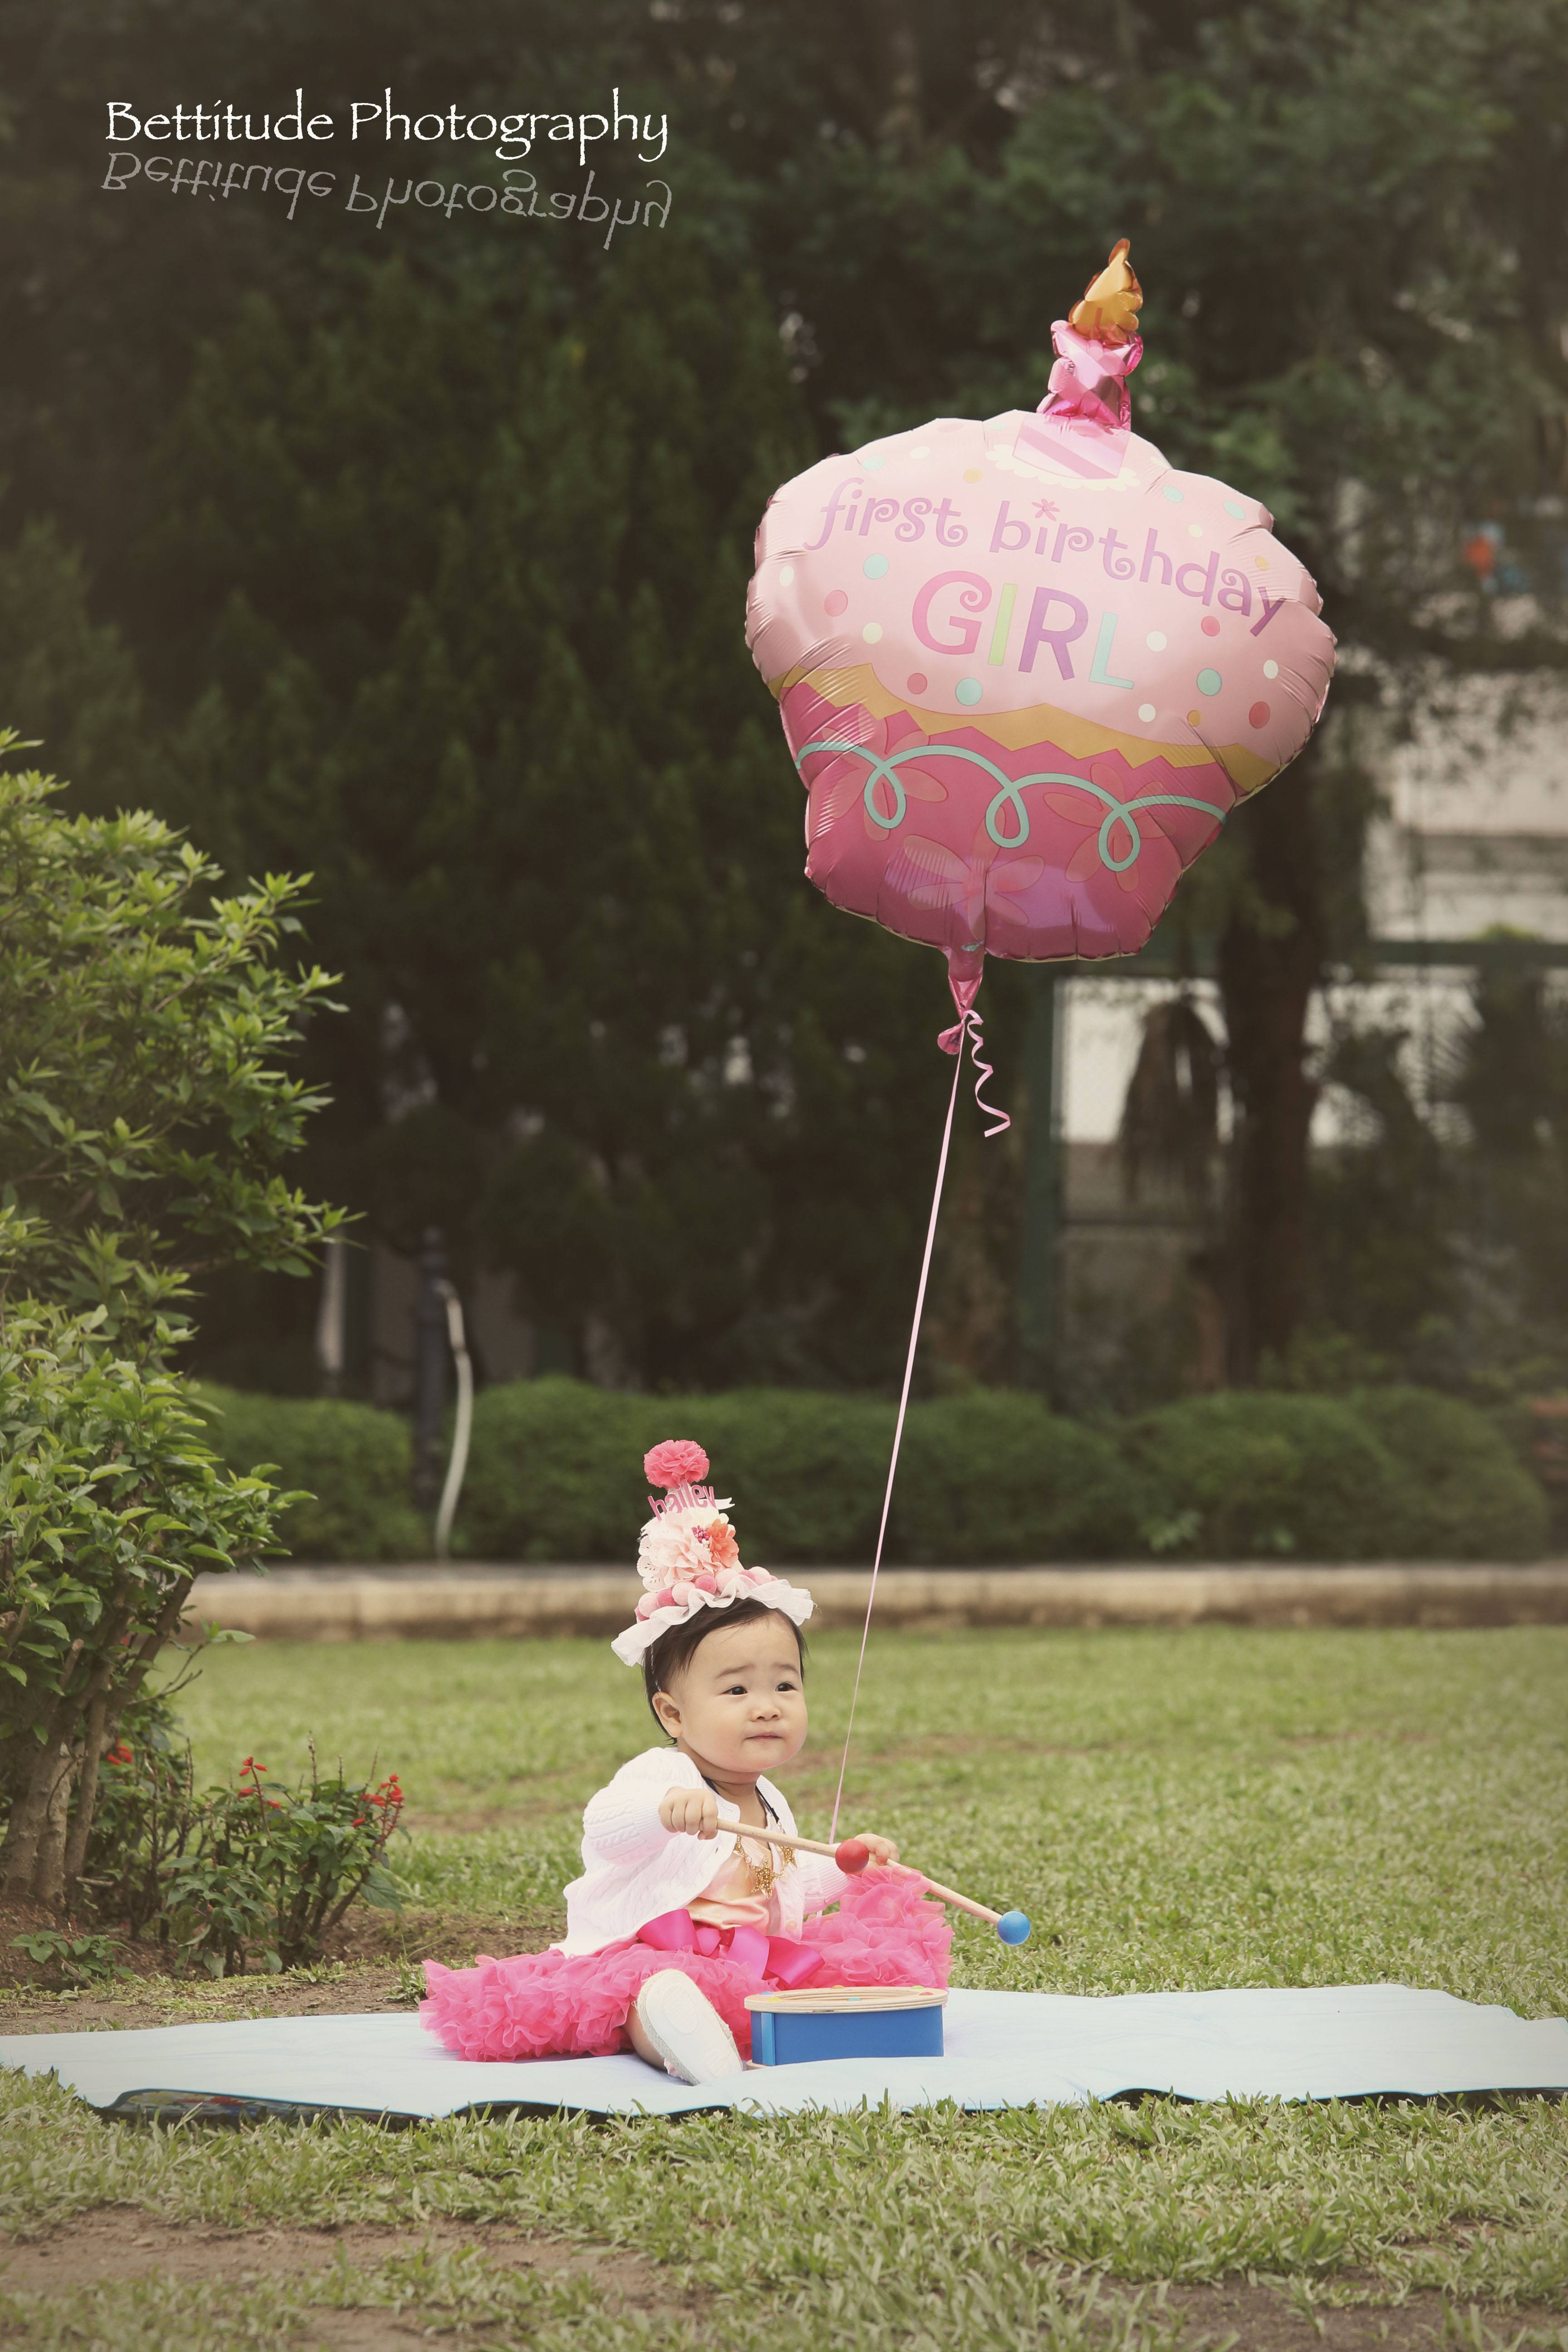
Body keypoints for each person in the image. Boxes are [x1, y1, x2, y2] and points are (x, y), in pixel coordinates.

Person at [420, 1438, 951, 2082]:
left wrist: (846, 1865)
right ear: (674, 1714)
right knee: (648, 1994)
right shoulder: (666, 1775)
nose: (767, 1707)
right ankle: (677, 2036)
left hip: (751, 1960)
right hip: (658, 1953)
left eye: (785, 1686)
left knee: (814, 1973)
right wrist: (664, 1812)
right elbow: (606, 1826)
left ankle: (742, 2033)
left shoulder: (768, 1799)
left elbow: (777, 1887)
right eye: (736, 1690)